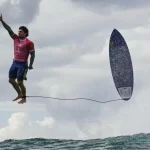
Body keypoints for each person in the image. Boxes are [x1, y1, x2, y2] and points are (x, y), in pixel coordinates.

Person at [0, 14, 35, 104]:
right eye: (18, 31)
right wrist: (2, 21)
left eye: (21, 31)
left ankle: (24, 98)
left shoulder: (29, 43)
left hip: (22, 65)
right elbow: (9, 29)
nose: (19, 32)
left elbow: (33, 54)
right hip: (14, 62)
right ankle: (19, 94)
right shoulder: (15, 38)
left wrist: (31, 65)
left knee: (20, 82)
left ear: (25, 33)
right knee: (11, 80)